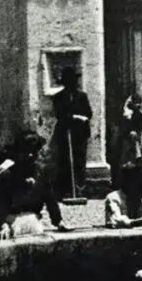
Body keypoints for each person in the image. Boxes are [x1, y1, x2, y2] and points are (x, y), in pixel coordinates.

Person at [0, 129, 68, 237]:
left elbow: (50, 198)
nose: (30, 155)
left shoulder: (40, 172)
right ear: (18, 152)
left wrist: (59, 221)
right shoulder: (8, 172)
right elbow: (1, 202)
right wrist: (2, 225)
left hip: (32, 216)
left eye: (34, 151)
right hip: (13, 217)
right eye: (26, 151)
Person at [52, 66, 92, 196]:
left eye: (73, 81)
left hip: (80, 134)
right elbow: (60, 115)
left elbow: (88, 113)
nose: (72, 84)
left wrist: (80, 118)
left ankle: (79, 189)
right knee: (65, 161)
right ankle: (67, 190)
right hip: (65, 133)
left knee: (79, 161)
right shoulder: (58, 97)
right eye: (69, 82)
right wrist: (73, 117)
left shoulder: (82, 96)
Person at [104, 163, 142, 228]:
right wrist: (136, 223)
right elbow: (116, 220)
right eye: (140, 186)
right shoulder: (113, 198)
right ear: (129, 183)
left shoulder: (141, 199)